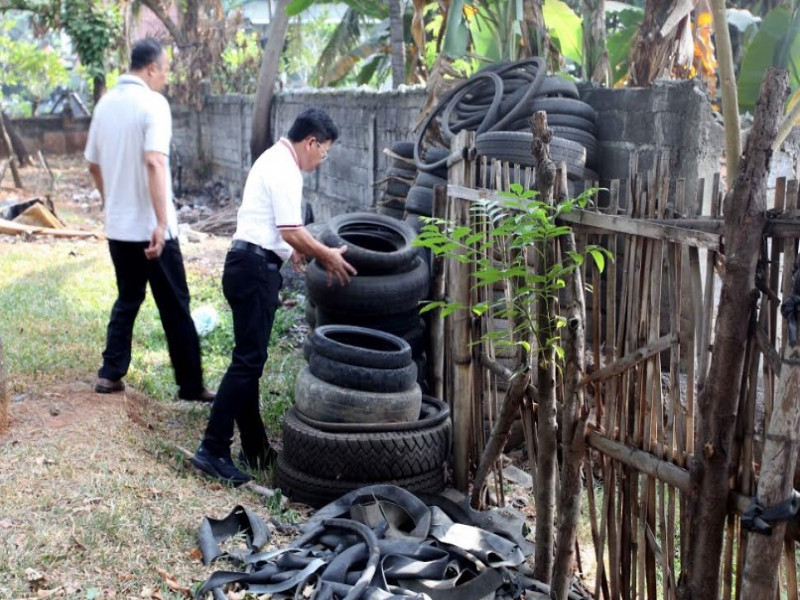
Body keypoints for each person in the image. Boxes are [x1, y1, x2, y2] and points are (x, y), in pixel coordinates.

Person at [192, 108, 356, 486]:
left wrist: (292, 249)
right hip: (252, 271)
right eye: (324, 151)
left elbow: (281, 230)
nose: (323, 158)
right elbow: (290, 228)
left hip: (247, 265)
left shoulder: (274, 159)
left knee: (250, 360)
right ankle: (213, 448)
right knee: (248, 363)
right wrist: (324, 253)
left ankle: (255, 447)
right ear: (311, 141)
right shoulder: (285, 168)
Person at [85, 38, 214, 402]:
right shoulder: (153, 104)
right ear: (151, 68)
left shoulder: (105, 104)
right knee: (175, 306)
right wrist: (160, 223)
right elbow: (155, 161)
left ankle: (110, 374)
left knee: (128, 298)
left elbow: (93, 163)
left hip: (119, 226)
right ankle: (191, 385)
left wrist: (110, 200)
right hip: (151, 230)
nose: (166, 79)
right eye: (165, 70)